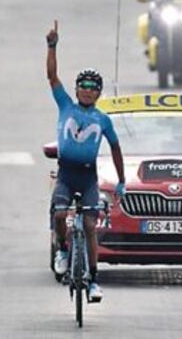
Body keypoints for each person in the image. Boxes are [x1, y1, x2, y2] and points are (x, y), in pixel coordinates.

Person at [45, 20, 125, 303]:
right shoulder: (66, 105)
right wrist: (52, 46)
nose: (88, 91)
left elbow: (115, 148)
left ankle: (93, 280)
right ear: (77, 89)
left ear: (99, 93)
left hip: (88, 178)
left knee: (91, 226)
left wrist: (122, 181)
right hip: (66, 175)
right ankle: (63, 250)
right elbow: (52, 77)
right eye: (83, 86)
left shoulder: (103, 119)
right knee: (59, 215)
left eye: (93, 88)